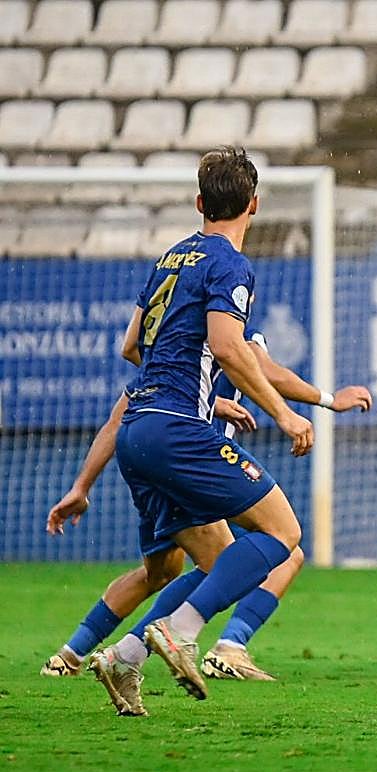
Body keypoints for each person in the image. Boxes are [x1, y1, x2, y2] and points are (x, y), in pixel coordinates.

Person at [86, 146, 314, 714]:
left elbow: (130, 346)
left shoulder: (170, 258)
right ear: (254, 205)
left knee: (217, 563)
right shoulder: (230, 263)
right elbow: (228, 345)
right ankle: (183, 629)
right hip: (178, 428)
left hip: (136, 429)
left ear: (198, 203)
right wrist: (283, 413)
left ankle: (124, 658)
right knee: (283, 534)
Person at [42, 334, 372, 683]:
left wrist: (81, 487)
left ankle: (73, 654)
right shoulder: (224, 330)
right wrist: (329, 399)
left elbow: (117, 411)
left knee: (161, 572)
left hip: (149, 463)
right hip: (197, 462)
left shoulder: (162, 357)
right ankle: (224, 646)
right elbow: (267, 372)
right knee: (278, 550)